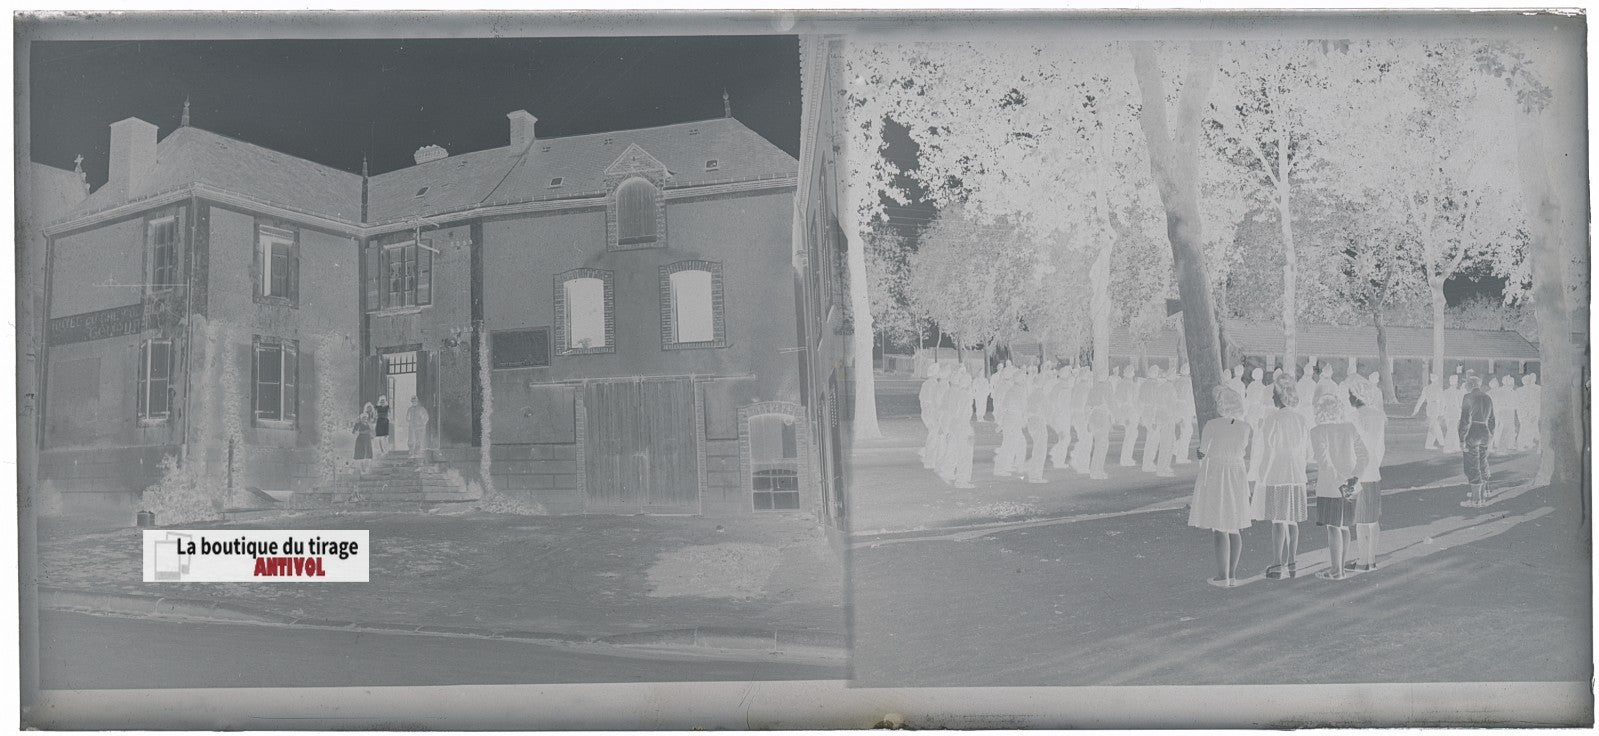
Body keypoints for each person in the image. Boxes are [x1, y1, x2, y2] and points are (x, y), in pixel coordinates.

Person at [1188, 385, 1253, 587]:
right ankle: (1232, 574)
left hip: (1216, 473)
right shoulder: (1245, 427)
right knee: (1233, 525)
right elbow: (1242, 450)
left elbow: (1203, 450)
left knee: (1218, 525)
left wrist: (1200, 453)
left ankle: (1221, 574)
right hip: (1236, 473)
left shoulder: (1212, 424)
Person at [1308, 392, 1369, 580]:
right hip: (1352, 485)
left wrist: (1341, 483)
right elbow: (1364, 456)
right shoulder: (1349, 428)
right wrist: (1353, 479)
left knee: (1333, 527)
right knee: (1344, 527)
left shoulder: (1317, 431)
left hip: (1330, 486)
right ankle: (1340, 567)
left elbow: (1325, 463)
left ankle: (1336, 570)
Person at [1253, 381, 1310, 579]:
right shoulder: (1301, 419)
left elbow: (1268, 449)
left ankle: (1277, 562)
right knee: (1292, 519)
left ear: (1279, 398)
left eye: (1274, 395)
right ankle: (1292, 560)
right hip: (1296, 472)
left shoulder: (1273, 419)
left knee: (1278, 519)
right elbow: (1305, 451)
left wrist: (1261, 473)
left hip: (1277, 470)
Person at [1348, 376, 1387, 573]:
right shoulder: (1379, 416)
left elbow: (1351, 447)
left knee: (1361, 520)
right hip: (1374, 470)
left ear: (1356, 397)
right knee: (1373, 519)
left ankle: (1362, 561)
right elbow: (1381, 446)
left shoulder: (1354, 417)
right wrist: (1375, 464)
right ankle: (1371, 559)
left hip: (1359, 470)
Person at [1460, 375, 1496, 507]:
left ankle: (1476, 500)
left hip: (1473, 430)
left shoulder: (1468, 397)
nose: (1465, 385)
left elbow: (1464, 419)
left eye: (1466, 383)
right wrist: (1491, 433)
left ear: (1471, 384)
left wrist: (1461, 438)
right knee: (1483, 460)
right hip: (1485, 430)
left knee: (1471, 464)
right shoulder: (1487, 397)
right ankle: (1484, 492)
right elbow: (1492, 418)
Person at [1139, 365, 1176, 476]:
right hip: (1160, 415)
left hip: (1151, 413)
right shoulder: (1158, 386)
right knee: (1157, 441)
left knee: (1152, 440)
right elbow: (1171, 404)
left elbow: (1140, 399)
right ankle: (1153, 464)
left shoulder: (1145, 384)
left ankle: (1149, 463)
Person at [1409, 374, 1447, 450]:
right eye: (1433, 378)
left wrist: (1442, 410)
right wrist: (1416, 410)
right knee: (1435, 425)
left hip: (1434, 408)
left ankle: (1430, 444)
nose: (1434, 380)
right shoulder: (1429, 389)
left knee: (1433, 426)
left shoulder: (1435, 389)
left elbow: (1442, 401)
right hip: (1432, 408)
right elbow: (1421, 400)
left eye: (1434, 378)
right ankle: (1442, 442)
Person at [1172, 365, 1196, 465]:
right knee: (1187, 433)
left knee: (1183, 431)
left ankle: (1175, 447)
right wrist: (1193, 412)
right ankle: (1181, 456)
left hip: (1177, 408)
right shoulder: (1188, 383)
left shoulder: (1176, 381)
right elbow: (1190, 398)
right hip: (1185, 409)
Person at [1489, 376, 1517, 451]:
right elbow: (1514, 402)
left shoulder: (1500, 390)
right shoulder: (1510, 391)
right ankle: (1506, 444)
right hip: (1507, 411)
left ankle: (1500, 443)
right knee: (1507, 428)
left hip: (1501, 411)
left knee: (1501, 427)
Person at [1516, 372, 1541, 450]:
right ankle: (1522, 444)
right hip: (1527, 412)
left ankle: (1528, 443)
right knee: (1525, 428)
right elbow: (1529, 402)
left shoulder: (1519, 390)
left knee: (1526, 428)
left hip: (1524, 412)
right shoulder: (1529, 390)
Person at [1439, 374, 1464, 452]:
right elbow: (1460, 404)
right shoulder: (1459, 392)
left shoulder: (1445, 392)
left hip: (1447, 413)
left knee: (1453, 430)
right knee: (1452, 430)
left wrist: (1442, 413)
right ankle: (1447, 448)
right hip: (1455, 413)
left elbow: (1442, 404)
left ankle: (1456, 446)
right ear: (1456, 383)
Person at [352, 403, 375, 473]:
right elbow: (354, 431)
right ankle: (362, 469)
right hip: (361, 440)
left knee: (368, 455)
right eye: (363, 418)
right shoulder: (358, 424)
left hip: (367, 440)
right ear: (361, 418)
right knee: (361, 455)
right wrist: (358, 430)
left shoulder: (367, 424)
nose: (365, 419)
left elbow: (371, 431)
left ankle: (366, 468)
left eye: (366, 418)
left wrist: (371, 434)